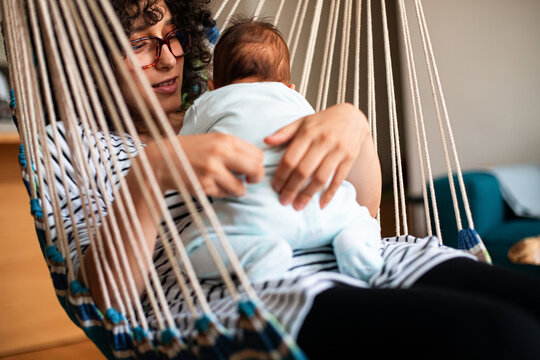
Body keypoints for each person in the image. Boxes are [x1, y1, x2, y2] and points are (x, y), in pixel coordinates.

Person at [35, 0, 540, 359]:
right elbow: (105, 304)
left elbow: (364, 214)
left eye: (172, 37)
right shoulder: (74, 147)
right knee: (506, 337)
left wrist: (355, 127)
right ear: (94, 62)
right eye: (139, 45)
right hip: (253, 292)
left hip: (367, 256)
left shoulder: (242, 106)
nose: (166, 57)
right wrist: (151, 175)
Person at [179, 18, 383, 283]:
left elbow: (179, 159)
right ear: (290, 88)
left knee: (188, 250)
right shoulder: (297, 102)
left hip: (258, 220)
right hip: (326, 207)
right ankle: (355, 247)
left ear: (213, 87)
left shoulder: (207, 104)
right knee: (362, 219)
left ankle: (261, 254)